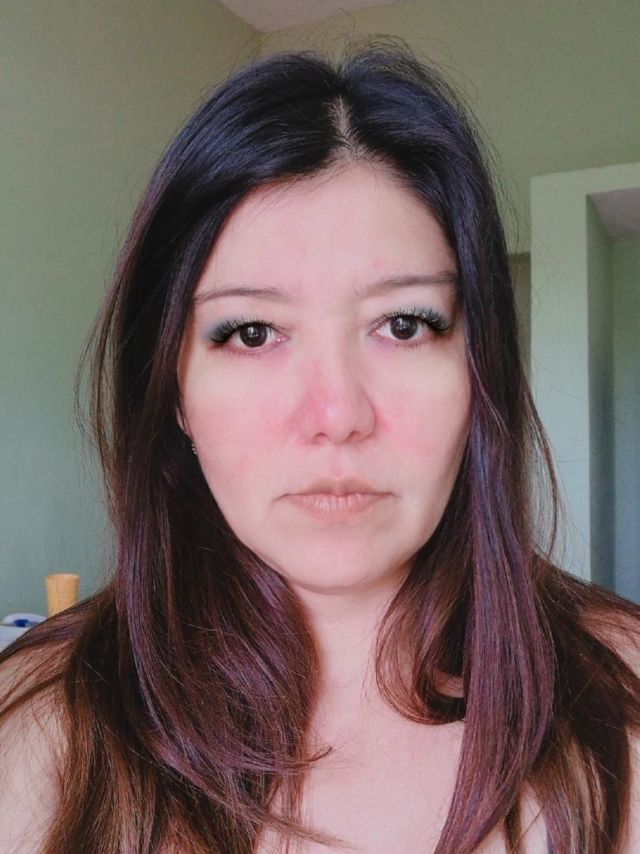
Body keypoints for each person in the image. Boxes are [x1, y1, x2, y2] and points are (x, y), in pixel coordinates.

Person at [0, 38, 638, 854]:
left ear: (480, 367)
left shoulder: (623, 698)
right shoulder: (38, 726)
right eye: (252, 332)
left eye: (403, 325)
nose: (336, 415)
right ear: (173, 389)